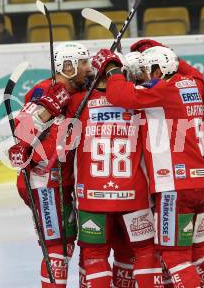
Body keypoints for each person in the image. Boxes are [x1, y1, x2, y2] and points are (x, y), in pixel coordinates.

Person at [97, 44, 204, 286]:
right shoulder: (192, 83)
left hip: (174, 187)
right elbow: (191, 70)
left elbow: (120, 96)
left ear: (158, 70)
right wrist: (154, 46)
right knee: (198, 253)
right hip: (200, 184)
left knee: (175, 256)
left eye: (146, 69)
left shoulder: (162, 91)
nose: (143, 75)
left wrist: (113, 71)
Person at [66, 50, 162, 288]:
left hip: (92, 197)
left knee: (95, 255)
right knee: (145, 250)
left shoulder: (78, 102)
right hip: (133, 195)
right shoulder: (135, 100)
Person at [8, 42, 92, 287]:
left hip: (64, 181)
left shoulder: (79, 92)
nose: (88, 68)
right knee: (57, 248)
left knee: (65, 245)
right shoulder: (43, 89)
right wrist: (47, 109)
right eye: (83, 63)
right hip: (44, 180)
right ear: (67, 67)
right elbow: (22, 131)